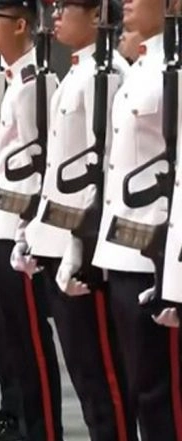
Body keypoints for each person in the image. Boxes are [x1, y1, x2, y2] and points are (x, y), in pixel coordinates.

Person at [26, 1, 137, 440]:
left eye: (67, 6)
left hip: (85, 246)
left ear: (96, 16)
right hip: (58, 241)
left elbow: (102, 170)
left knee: (104, 375)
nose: (55, 15)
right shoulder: (77, 72)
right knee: (85, 374)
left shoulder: (105, 76)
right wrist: (35, 231)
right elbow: (59, 169)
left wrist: (79, 244)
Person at [0, 0, 64, 439]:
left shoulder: (38, 82)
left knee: (31, 341)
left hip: (18, 229)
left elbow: (40, 164)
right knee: (10, 336)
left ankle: (43, 429)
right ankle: (23, 421)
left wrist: (29, 230)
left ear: (22, 25)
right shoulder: (12, 81)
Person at [89, 0, 182, 438]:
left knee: (165, 395)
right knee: (142, 387)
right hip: (124, 252)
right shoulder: (141, 68)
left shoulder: (174, 67)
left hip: (158, 256)